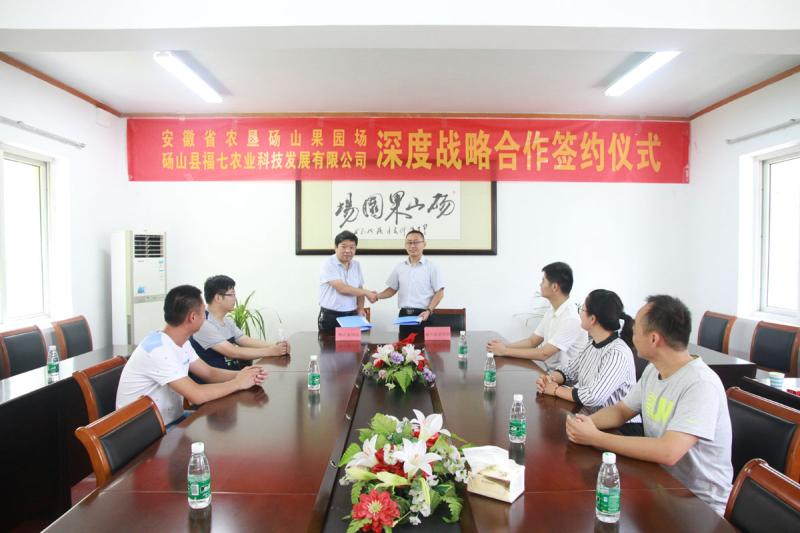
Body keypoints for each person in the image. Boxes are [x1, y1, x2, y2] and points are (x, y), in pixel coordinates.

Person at [565, 295, 733, 515]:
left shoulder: (700, 384)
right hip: (659, 485)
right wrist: (584, 423)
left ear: (654, 339)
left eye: (636, 330)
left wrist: (596, 438)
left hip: (698, 504)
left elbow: (668, 452)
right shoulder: (654, 369)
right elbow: (621, 410)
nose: (631, 334)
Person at [116, 285, 267, 426]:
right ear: (193, 317)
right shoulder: (159, 350)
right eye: (203, 313)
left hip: (170, 421)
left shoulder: (180, 341)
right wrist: (238, 383)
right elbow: (196, 395)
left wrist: (243, 374)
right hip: (144, 433)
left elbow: (209, 373)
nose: (206, 317)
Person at [536, 289, 636, 412]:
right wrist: (550, 379)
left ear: (592, 319)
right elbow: (570, 371)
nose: (579, 313)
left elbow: (593, 396)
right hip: (590, 415)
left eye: (582, 309)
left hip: (614, 423)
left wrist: (555, 390)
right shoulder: (592, 344)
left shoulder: (617, 353)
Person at [487, 262, 585, 370]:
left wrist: (505, 351)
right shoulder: (552, 311)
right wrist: (503, 346)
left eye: (543, 281)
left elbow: (544, 354)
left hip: (563, 378)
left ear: (554, 287)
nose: (540, 284)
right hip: (549, 372)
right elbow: (532, 341)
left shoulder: (571, 318)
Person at [191, 275, 289, 372]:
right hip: (217, 380)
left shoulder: (227, 320)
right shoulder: (203, 324)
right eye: (232, 294)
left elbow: (245, 340)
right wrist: (271, 351)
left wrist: (276, 346)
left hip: (234, 375)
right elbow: (232, 352)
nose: (235, 299)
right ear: (218, 298)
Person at [376, 230, 445, 337]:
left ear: (424, 244)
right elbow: (392, 289)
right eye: (409, 242)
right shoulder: (400, 267)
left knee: (423, 347)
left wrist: (429, 311)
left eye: (416, 242)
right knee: (403, 346)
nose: (412, 245)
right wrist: (376, 296)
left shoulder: (432, 267)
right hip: (404, 316)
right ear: (405, 245)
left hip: (424, 315)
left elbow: (440, 292)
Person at [318, 230, 378, 332]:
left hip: (352, 314)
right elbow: (342, 288)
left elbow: (359, 288)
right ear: (336, 247)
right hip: (331, 316)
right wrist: (367, 293)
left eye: (352, 247)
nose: (348, 250)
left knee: (352, 342)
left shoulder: (356, 265)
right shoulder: (328, 264)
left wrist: (360, 308)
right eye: (344, 246)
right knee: (329, 342)